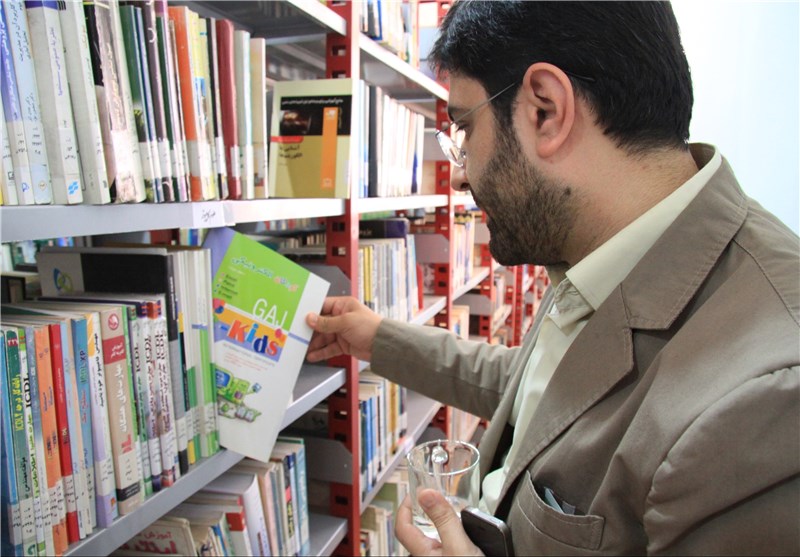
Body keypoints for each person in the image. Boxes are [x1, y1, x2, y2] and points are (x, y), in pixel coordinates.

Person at [306, 1, 800, 555]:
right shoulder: (596, 242)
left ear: (545, 110)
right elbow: (544, 396)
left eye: (465, 128)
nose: (460, 175)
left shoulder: (764, 404)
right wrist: (378, 338)